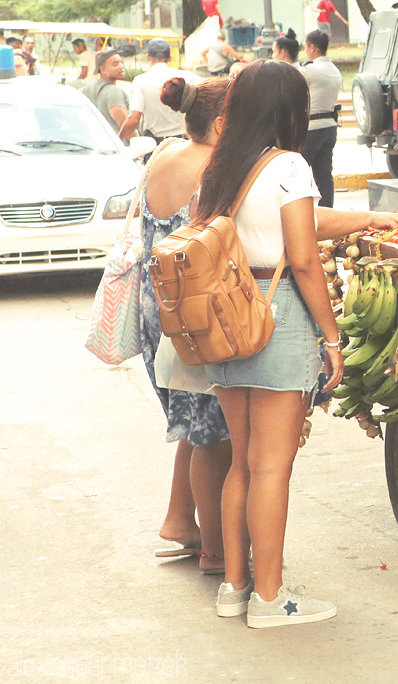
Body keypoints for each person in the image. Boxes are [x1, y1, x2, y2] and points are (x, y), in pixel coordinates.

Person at [195, 60, 398, 627]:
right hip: (277, 309)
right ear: (289, 111)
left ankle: (235, 589)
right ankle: (270, 599)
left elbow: (295, 228)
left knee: (242, 461)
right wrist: (332, 337)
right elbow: (304, 256)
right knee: (273, 468)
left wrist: (373, 220)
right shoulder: (289, 165)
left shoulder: (222, 167)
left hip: (225, 313)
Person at [141, 76, 235, 575]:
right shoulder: (215, 167)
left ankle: (180, 520)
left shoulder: (165, 154)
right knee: (213, 431)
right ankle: (217, 553)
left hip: (158, 305)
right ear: (221, 124)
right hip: (193, 309)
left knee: (196, 419)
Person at [119, 38, 203, 142]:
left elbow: (134, 119)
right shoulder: (187, 77)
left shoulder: (141, 81)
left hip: (156, 144)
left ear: (148, 57)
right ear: (170, 58)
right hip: (183, 141)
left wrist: (118, 141)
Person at [300, 30, 342, 207]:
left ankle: (299, 211)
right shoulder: (334, 70)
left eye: (306, 46)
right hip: (330, 127)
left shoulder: (310, 70)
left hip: (312, 128)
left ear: (312, 47)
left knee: (298, 172)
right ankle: (327, 212)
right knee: (324, 174)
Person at [82, 49, 130, 127]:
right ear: (103, 69)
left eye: (121, 62)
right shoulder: (114, 92)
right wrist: (136, 138)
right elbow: (126, 126)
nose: (121, 66)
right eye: (115, 64)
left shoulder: (86, 89)